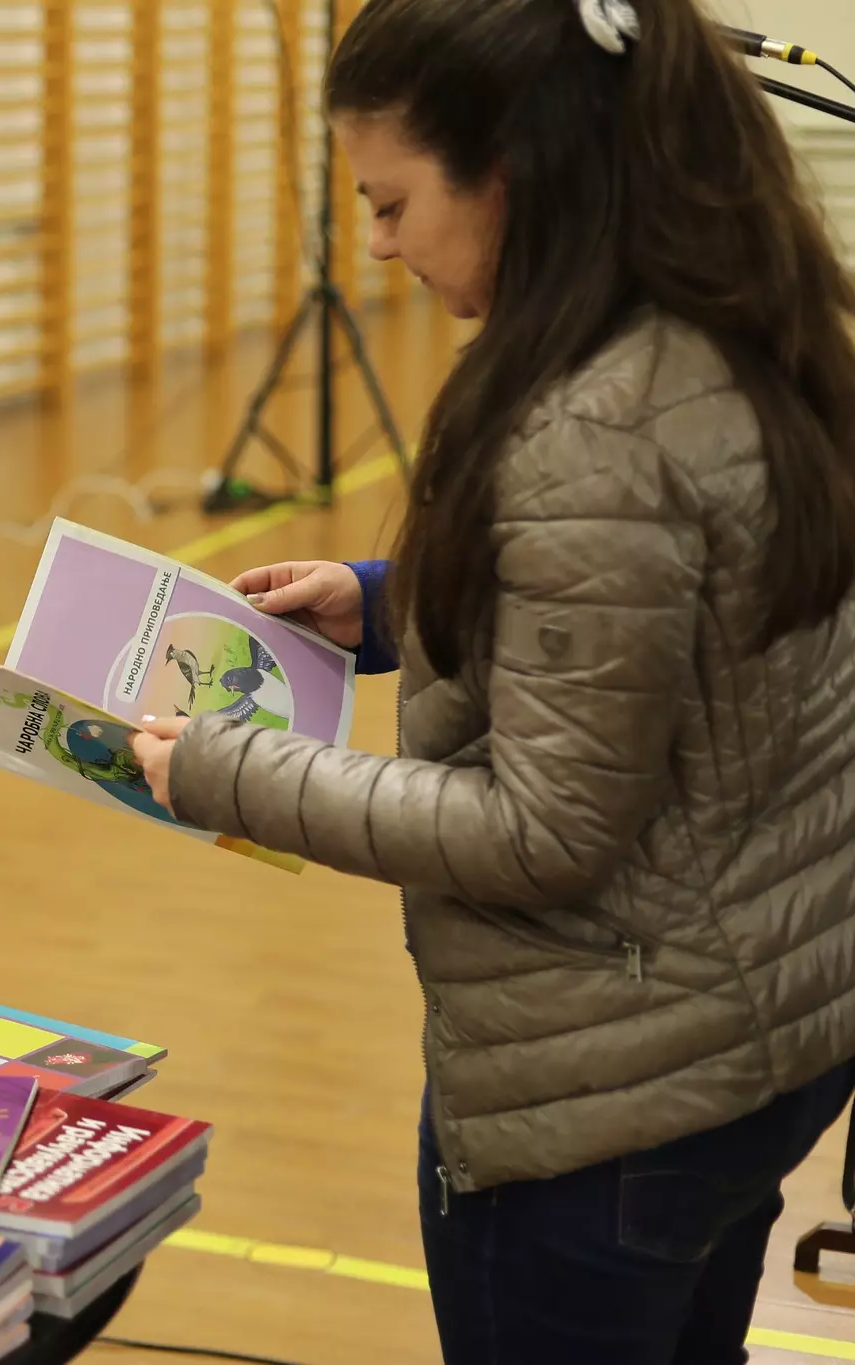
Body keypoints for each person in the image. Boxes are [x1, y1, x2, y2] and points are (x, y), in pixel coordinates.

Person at [130, 0, 855, 1359]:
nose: (379, 244)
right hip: (760, 1028)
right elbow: (673, 619)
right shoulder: (730, 319)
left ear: (510, 172)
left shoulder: (592, 424)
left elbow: (542, 830)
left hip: (611, 1094)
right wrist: (393, 600)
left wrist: (228, 772)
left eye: (392, 203)